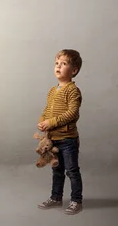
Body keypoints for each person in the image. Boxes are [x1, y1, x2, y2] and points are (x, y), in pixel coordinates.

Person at [36, 49, 84, 215]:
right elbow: (47, 109)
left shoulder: (73, 91)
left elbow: (72, 113)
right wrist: (43, 121)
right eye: (57, 63)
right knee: (57, 171)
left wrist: (52, 122)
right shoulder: (52, 91)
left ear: (74, 70)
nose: (58, 66)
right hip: (53, 140)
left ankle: (76, 200)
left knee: (72, 171)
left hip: (68, 140)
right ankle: (56, 198)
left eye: (63, 64)